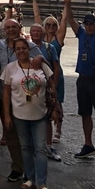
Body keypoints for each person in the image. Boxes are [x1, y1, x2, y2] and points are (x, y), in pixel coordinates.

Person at [60, 0, 95, 165]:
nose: (89, 26)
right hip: (83, 80)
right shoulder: (82, 34)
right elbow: (70, 20)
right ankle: (88, 145)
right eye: (87, 24)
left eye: (91, 23)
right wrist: (68, 3)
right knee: (85, 114)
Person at [3, 37, 56, 189]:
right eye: (18, 49)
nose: (21, 51)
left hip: (39, 114)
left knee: (40, 148)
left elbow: (52, 86)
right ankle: (30, 178)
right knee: (25, 147)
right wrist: (6, 114)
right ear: (14, 52)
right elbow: (6, 93)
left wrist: (55, 107)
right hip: (19, 114)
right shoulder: (10, 69)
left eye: (23, 48)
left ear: (29, 49)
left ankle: (42, 183)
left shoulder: (40, 65)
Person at [0, 18, 43, 182]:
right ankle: (17, 167)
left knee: (26, 136)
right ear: (4, 30)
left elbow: (41, 58)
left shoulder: (29, 45)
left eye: (14, 27)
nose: (11, 30)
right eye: (8, 28)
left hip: (24, 96)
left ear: (19, 28)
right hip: (4, 94)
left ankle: (30, 168)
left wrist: (39, 59)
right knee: (10, 133)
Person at [32, 0, 67, 143]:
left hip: (56, 74)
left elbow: (65, 19)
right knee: (44, 102)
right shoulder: (42, 38)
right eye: (48, 25)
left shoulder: (58, 39)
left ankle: (58, 129)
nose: (51, 27)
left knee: (57, 102)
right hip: (42, 75)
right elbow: (37, 16)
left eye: (53, 24)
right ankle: (44, 130)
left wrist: (67, 4)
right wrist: (34, 1)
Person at [29, 22, 62, 162]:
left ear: (42, 33)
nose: (36, 33)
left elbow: (56, 67)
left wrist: (53, 86)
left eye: (38, 31)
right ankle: (32, 146)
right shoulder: (27, 47)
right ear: (30, 34)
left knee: (47, 117)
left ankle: (48, 146)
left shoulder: (49, 48)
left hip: (46, 87)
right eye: (33, 31)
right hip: (30, 88)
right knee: (30, 116)